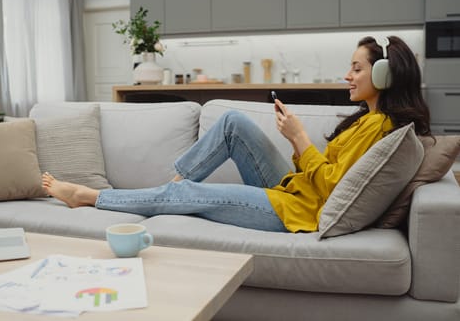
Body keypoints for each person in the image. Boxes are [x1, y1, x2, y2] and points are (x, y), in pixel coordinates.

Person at [42, 36, 431, 233]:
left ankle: (90, 197)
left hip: (298, 213)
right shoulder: (367, 118)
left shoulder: (382, 128)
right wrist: (296, 144)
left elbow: (332, 190)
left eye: (357, 68)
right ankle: (171, 190)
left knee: (185, 194)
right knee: (231, 123)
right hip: (294, 191)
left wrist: (299, 139)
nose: (348, 75)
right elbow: (323, 172)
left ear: (383, 76)